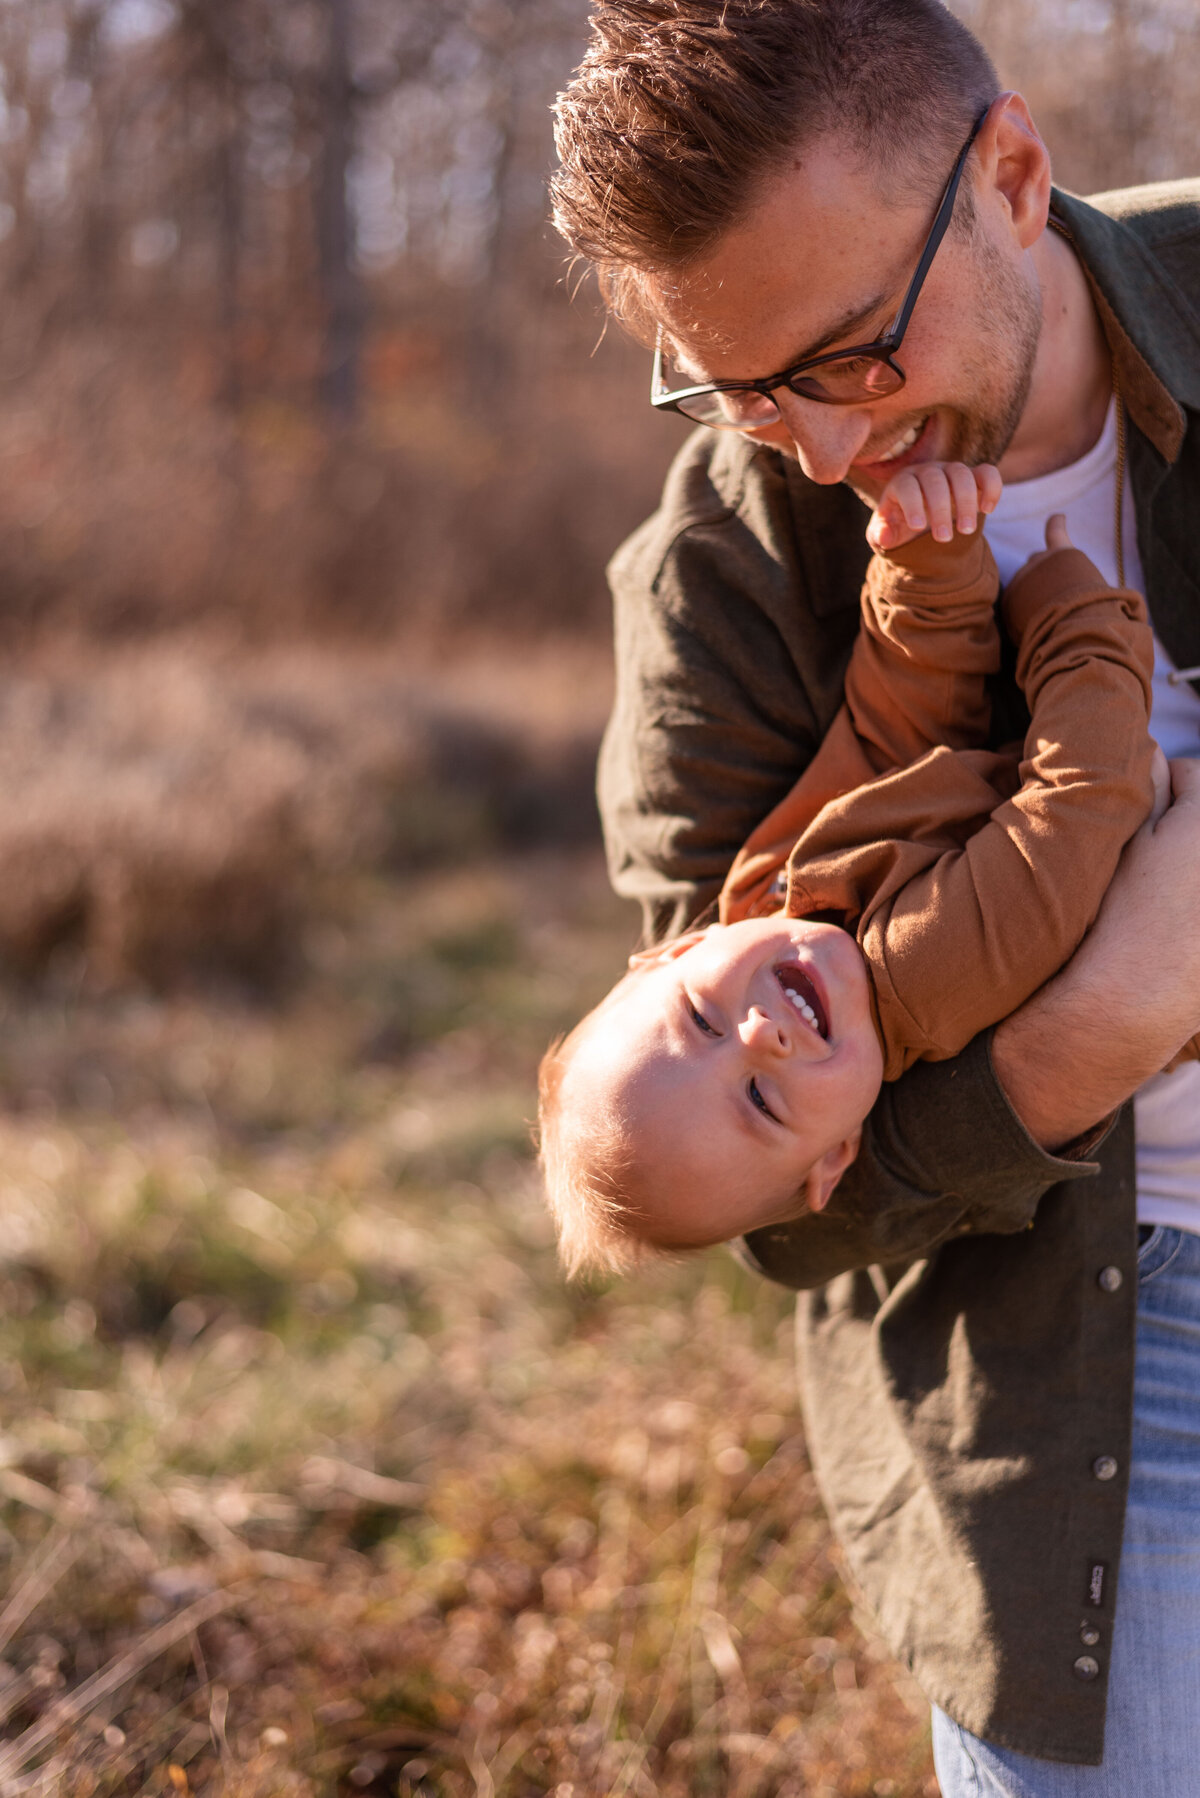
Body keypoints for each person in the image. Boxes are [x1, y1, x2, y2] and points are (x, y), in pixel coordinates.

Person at [549, 1, 1200, 1791]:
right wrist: (1105, 1023)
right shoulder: (723, 577)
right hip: (1108, 1362)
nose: (817, 448)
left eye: (840, 358)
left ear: (1010, 173)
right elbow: (776, 1204)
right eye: (735, 385)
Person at [538, 464, 1171, 1277]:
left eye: (699, 1019)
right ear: (836, 1158)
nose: (761, 1035)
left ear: (669, 953)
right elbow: (1083, 795)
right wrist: (1075, 619)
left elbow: (897, 737)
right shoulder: (930, 974)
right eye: (761, 1101)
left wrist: (928, 571)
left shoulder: (769, 895)